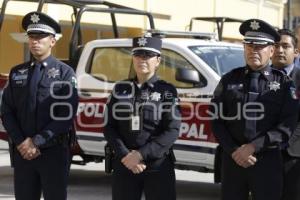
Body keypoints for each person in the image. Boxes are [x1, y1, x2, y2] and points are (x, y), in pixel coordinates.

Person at [210, 19, 299, 200]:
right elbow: (216, 119)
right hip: (233, 159)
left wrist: (252, 147)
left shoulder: (284, 84)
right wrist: (235, 150)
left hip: (266, 161)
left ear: (271, 50)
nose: (253, 50)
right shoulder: (229, 79)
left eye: (259, 46)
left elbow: (286, 125)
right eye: (249, 45)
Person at [0, 12, 78, 200]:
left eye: (41, 37)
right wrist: (21, 142)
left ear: (52, 41)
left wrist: (36, 141)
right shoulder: (17, 72)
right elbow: (7, 111)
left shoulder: (65, 73)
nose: (35, 41)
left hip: (53, 152)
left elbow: (65, 115)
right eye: (32, 37)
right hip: (23, 153)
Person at [104, 35, 181, 200]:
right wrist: (126, 155)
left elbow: (172, 130)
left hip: (157, 166)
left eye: (147, 56)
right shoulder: (120, 88)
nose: (142, 60)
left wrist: (139, 155)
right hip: (125, 165)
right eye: (138, 55)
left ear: (158, 60)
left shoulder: (166, 91)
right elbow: (109, 127)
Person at [271, 29, 300, 200]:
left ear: (296, 52)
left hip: (294, 155)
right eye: (275, 46)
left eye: (285, 46)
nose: (280, 50)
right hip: (263, 154)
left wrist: (284, 141)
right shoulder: (259, 78)